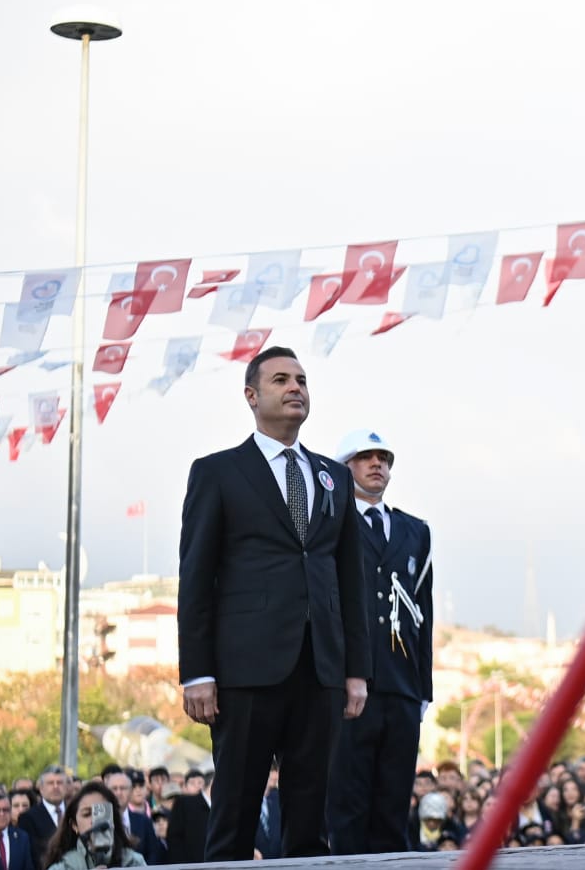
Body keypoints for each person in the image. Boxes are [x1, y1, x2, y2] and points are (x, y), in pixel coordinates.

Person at [176, 347, 371, 860]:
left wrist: (356, 670)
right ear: (251, 396)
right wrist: (196, 672)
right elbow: (196, 578)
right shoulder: (218, 472)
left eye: (302, 381)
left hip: (321, 668)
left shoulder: (334, 477)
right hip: (245, 672)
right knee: (236, 814)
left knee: (310, 821)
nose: (295, 389)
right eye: (281, 379)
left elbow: (349, 581)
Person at [327, 429, 435, 855]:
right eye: (365, 457)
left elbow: (422, 614)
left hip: (402, 686)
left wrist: (423, 690)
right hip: (351, 684)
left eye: (384, 458)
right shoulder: (331, 521)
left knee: (393, 808)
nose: (377, 465)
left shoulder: (415, 531)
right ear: (344, 467)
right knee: (348, 808)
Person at [40, 783, 144, 870]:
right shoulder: (61, 868)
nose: (94, 820)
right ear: (74, 825)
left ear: (113, 819)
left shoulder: (134, 863)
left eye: (101, 812)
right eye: (86, 814)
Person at [101, 772, 161, 864]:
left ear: (130, 791)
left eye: (123, 788)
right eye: (114, 788)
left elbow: (153, 854)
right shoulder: (100, 821)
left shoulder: (144, 821)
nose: (118, 793)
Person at [17, 767, 68, 868]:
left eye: (60, 782)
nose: (55, 787)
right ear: (41, 788)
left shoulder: (76, 812)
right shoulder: (28, 818)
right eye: (50, 783)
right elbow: (33, 855)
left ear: (66, 787)